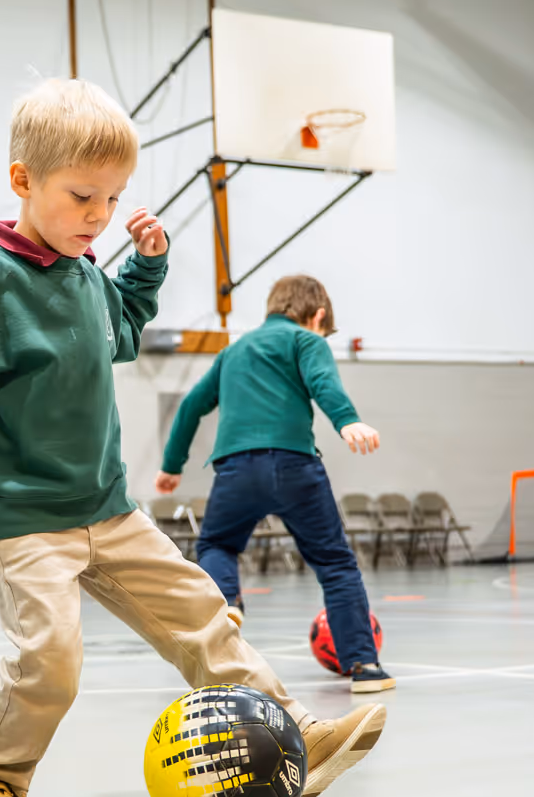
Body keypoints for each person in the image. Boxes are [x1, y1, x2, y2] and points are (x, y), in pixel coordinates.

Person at [0, 78, 386, 797]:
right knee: (51, 656)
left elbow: (120, 331)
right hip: (26, 518)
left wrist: (145, 270)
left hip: (108, 507)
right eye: (81, 195)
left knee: (201, 612)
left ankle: (287, 728)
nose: (99, 216)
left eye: (113, 198)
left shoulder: (85, 272)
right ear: (23, 181)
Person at [155, 274, 395, 693]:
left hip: (235, 470)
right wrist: (347, 420)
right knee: (335, 564)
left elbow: (192, 405)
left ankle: (227, 603)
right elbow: (323, 383)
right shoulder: (307, 341)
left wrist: (172, 465)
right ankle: (364, 666)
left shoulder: (232, 352)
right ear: (317, 316)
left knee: (218, 545)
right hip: (294, 466)